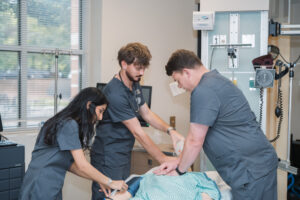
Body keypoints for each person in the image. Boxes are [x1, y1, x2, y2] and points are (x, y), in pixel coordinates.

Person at [154, 49, 278, 200]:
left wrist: (179, 170)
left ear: (186, 72)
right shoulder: (216, 80)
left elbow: (194, 140)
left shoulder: (203, 91)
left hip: (250, 170)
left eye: (177, 80)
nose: (179, 86)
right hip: (259, 163)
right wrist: (178, 162)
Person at [91, 42, 184, 200]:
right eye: (138, 68)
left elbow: (146, 114)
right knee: (109, 197)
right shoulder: (115, 93)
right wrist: (163, 159)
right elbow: (138, 132)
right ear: (124, 64)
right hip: (108, 156)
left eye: (143, 68)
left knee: (123, 195)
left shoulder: (134, 83)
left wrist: (171, 131)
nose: (141, 72)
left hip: (122, 153)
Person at [19, 87, 128, 200]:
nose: (100, 117)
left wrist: (100, 179)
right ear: (89, 105)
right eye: (100, 111)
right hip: (41, 185)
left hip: (48, 184)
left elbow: (70, 165)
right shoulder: (69, 124)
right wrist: (110, 182)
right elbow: (82, 165)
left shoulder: (65, 121)